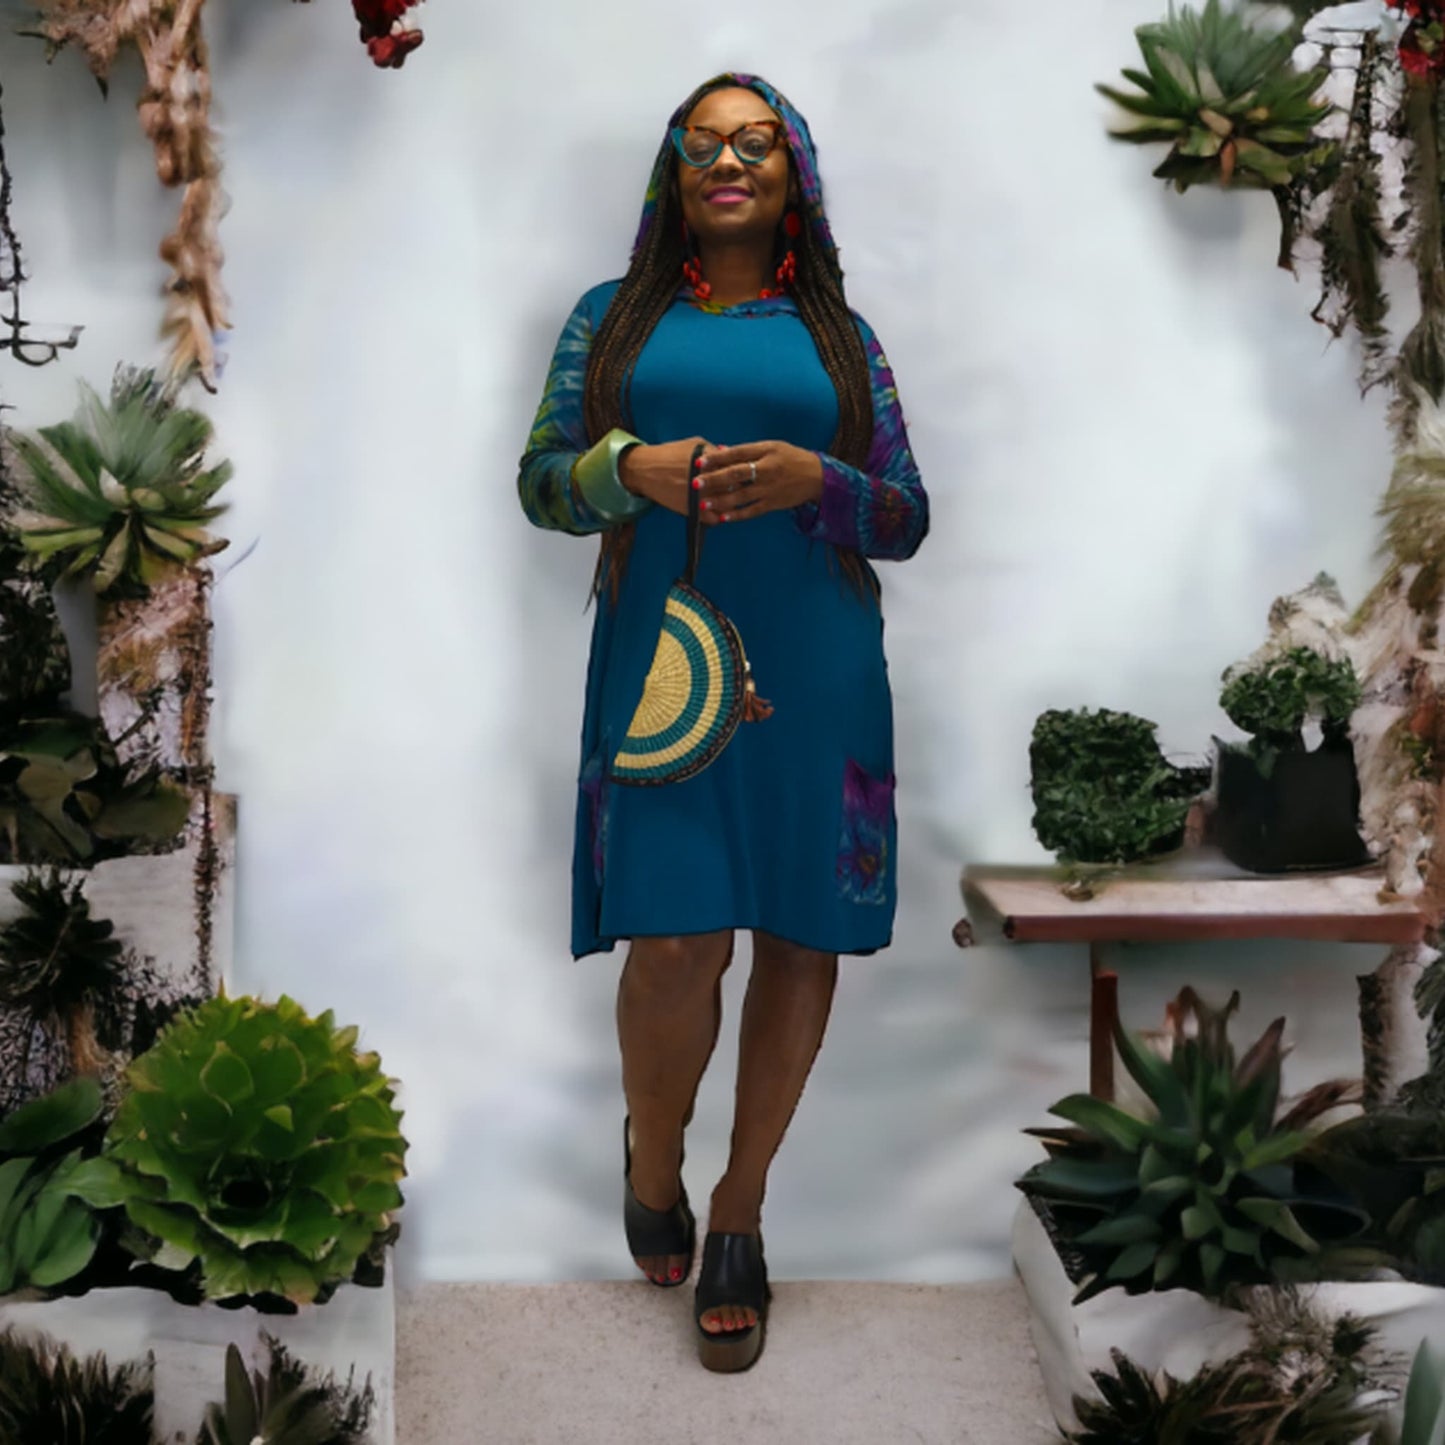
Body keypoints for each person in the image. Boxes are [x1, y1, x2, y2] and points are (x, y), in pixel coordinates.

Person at [517, 72, 927, 1373]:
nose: (729, 162)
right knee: (677, 938)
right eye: (703, 146)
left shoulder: (841, 339)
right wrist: (616, 469)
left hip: (820, 667)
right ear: (673, 175)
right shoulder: (611, 321)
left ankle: (740, 1208)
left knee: (799, 934)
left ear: (791, 172)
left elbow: (906, 517)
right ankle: (654, 1150)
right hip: (664, 665)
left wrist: (826, 480)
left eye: (755, 144)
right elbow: (539, 488)